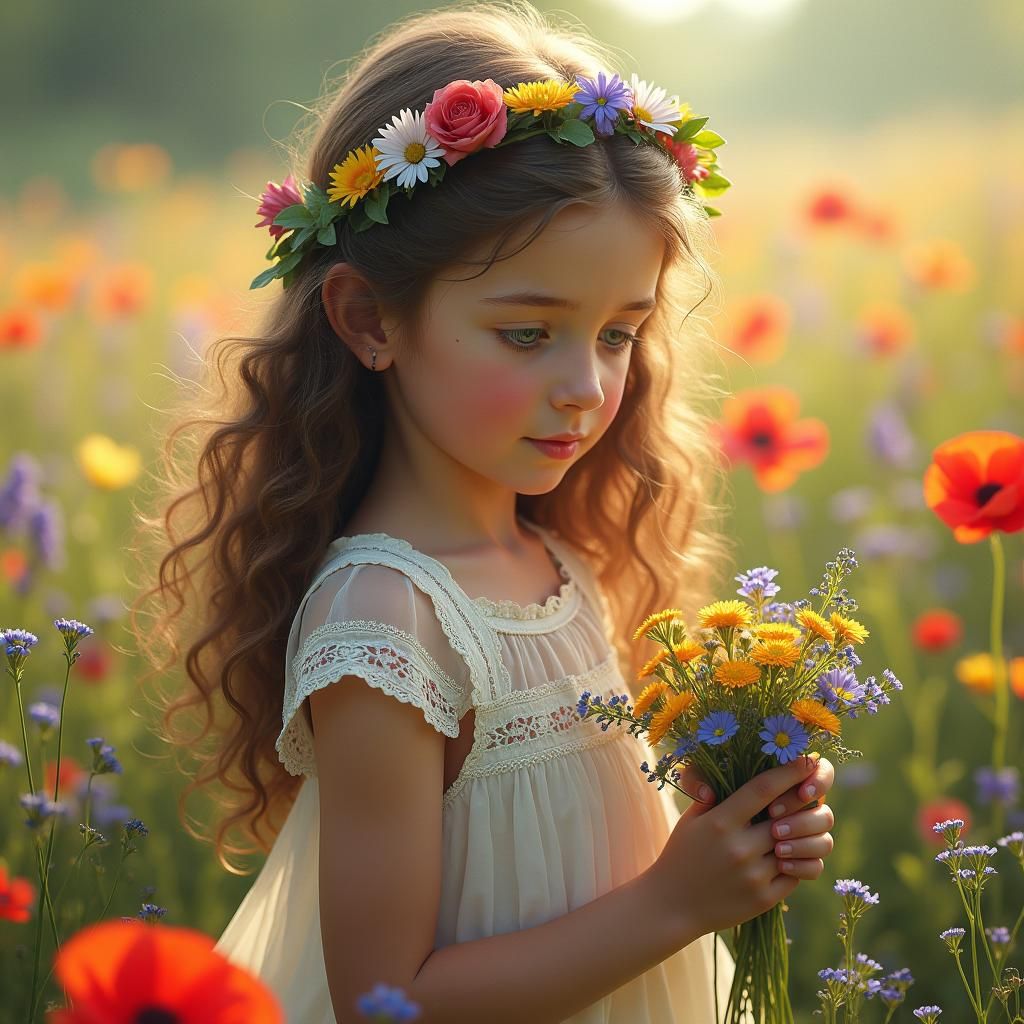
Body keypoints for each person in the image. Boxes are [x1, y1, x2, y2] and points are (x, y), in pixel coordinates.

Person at [132, 2, 837, 1020]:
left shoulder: (556, 561)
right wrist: (676, 901)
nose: (588, 387)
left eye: (618, 333)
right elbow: (390, 997)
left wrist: (730, 824)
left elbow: (569, 852)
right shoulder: (386, 623)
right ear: (370, 319)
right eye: (526, 334)